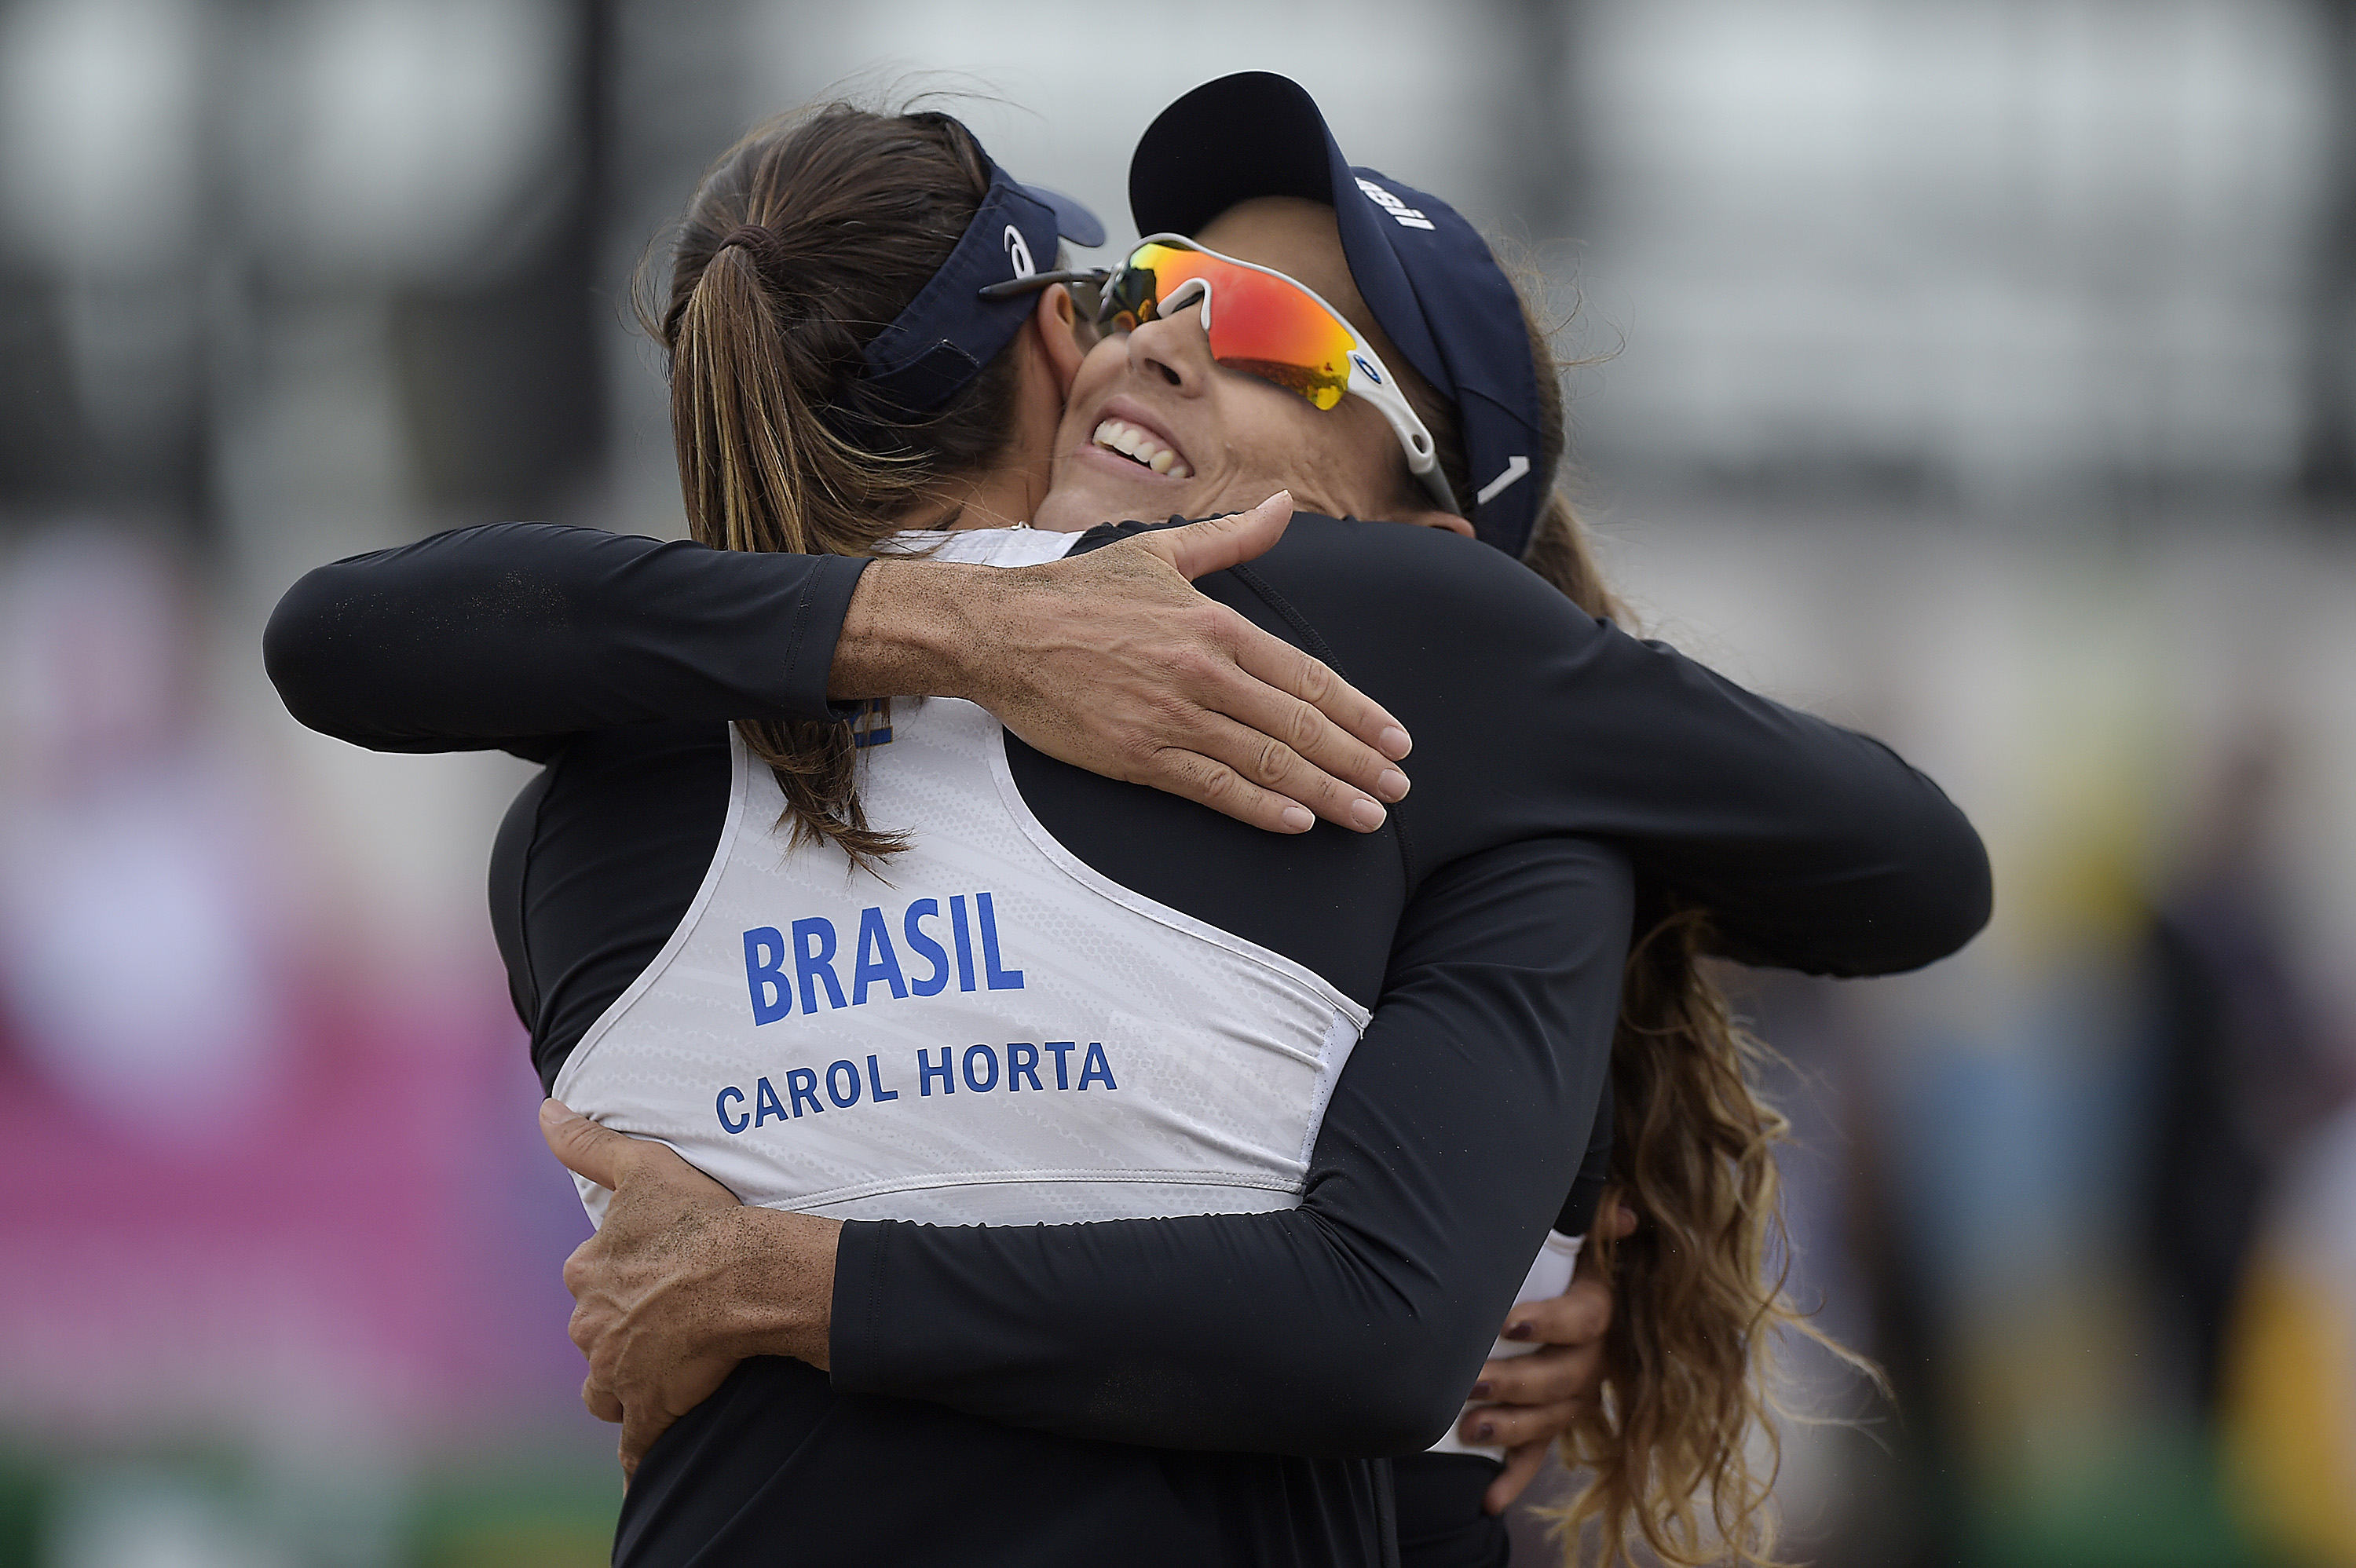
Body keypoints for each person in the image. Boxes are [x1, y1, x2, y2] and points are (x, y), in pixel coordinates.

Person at [266, 87, 1988, 1568]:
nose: (1165, 335)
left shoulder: (1442, 687)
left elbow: (1913, 869)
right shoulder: (748, 705)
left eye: (1287, 340)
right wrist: (959, 626)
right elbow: (347, 634)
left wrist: (795, 1278)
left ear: (1432, 540)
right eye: (1160, 285)